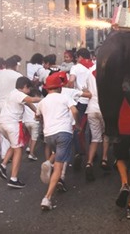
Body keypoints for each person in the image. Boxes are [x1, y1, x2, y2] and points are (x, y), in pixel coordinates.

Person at [36, 73, 79, 210]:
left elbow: (37, 117)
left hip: (49, 135)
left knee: (57, 152)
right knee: (59, 166)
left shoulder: (42, 101)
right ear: (59, 87)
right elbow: (75, 111)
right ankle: (47, 198)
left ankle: (49, 162)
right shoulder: (64, 97)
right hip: (64, 132)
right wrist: (77, 123)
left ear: (47, 88)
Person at [0, 76, 41, 189]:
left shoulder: (13, 93)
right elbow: (31, 100)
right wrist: (48, 98)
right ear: (25, 86)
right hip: (12, 124)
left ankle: (3, 165)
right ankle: (13, 179)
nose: (29, 91)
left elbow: (28, 103)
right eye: (29, 89)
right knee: (19, 149)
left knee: (14, 144)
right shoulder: (19, 94)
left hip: (2, 123)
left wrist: (36, 112)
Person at [0, 55, 22, 159]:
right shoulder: (18, 76)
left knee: (2, 125)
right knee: (12, 127)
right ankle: (10, 151)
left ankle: (5, 153)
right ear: (15, 65)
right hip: (11, 104)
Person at [68, 48, 93, 169]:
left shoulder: (76, 67)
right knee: (94, 129)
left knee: (77, 127)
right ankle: (94, 154)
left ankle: (79, 152)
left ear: (80, 57)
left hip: (80, 100)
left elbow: (71, 81)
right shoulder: (92, 67)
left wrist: (70, 90)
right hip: (92, 100)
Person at [84, 69, 111, 182]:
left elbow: (84, 90)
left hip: (91, 108)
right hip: (105, 108)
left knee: (95, 138)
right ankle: (104, 158)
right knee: (106, 135)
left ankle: (89, 163)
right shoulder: (109, 75)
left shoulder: (90, 74)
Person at [23, 87, 42, 161]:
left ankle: (28, 147)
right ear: (36, 95)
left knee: (31, 135)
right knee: (34, 138)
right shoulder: (39, 103)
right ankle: (31, 153)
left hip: (27, 122)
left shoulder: (26, 103)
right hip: (35, 122)